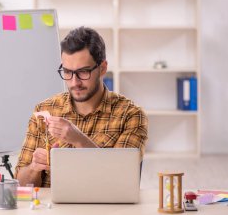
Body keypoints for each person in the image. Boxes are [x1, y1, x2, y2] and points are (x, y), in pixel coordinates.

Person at [15, 26, 148, 187]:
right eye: (67, 72)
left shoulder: (130, 115)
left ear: (102, 68)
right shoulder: (44, 110)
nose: (74, 82)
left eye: (83, 72)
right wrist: (34, 168)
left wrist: (79, 140)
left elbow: (122, 180)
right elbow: (19, 184)